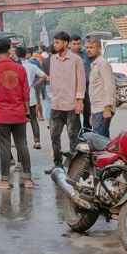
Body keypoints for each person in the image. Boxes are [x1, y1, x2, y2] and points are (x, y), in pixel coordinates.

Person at [0, 38, 34, 190]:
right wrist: (26, 110)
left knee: (5, 148)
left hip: (1, 114)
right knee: (22, 145)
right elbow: (26, 92)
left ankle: (5, 181)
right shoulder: (20, 69)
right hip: (19, 113)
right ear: (9, 49)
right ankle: (27, 180)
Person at [46, 31, 86, 172]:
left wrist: (79, 100)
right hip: (56, 104)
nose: (55, 45)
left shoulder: (76, 59)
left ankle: (73, 167)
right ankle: (57, 164)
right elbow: (52, 79)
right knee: (54, 136)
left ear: (66, 43)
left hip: (71, 104)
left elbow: (81, 82)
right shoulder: (53, 59)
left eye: (57, 42)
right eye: (54, 42)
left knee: (73, 137)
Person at [18, 46, 47, 149]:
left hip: (19, 96)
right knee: (33, 119)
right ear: (25, 54)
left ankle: (22, 141)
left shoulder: (16, 67)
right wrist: (34, 84)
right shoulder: (31, 66)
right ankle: (37, 141)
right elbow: (44, 76)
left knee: (20, 121)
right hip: (31, 93)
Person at [87, 38, 117, 137]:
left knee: (100, 141)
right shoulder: (94, 64)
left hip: (103, 108)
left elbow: (109, 86)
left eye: (91, 47)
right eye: (87, 47)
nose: (88, 50)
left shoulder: (103, 64)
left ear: (99, 49)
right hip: (96, 109)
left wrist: (107, 108)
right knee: (102, 141)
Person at [70, 35, 92, 118]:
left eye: (78, 44)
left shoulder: (86, 54)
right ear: (69, 44)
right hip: (72, 88)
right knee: (74, 112)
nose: (76, 46)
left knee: (87, 110)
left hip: (86, 86)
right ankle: (76, 130)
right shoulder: (67, 56)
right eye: (74, 44)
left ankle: (87, 129)